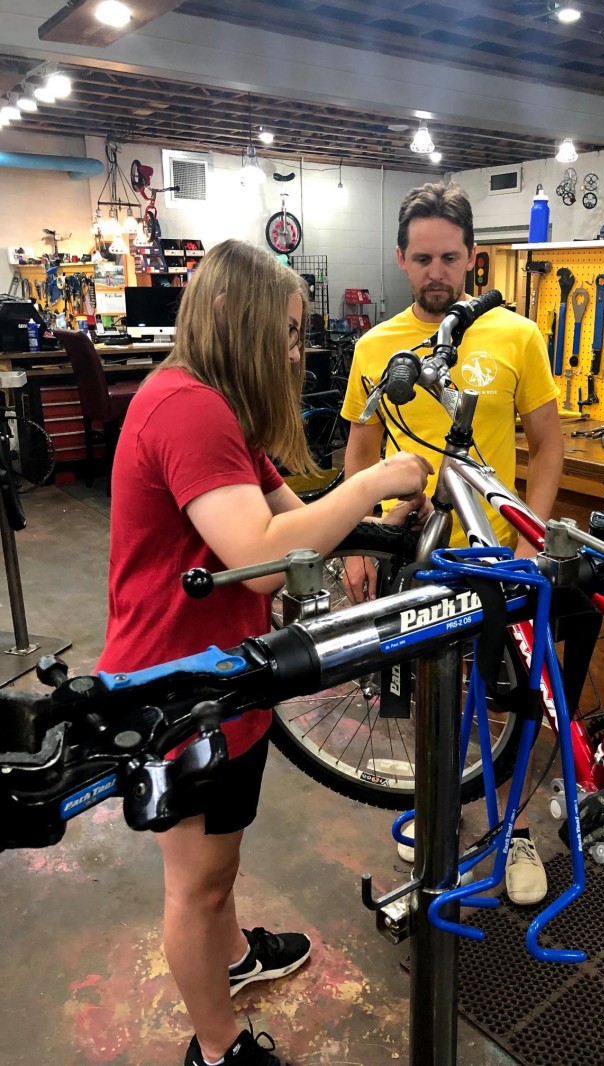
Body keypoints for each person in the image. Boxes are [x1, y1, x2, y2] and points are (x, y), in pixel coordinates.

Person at [96, 240, 432, 1066]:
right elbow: (260, 550)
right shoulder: (186, 408)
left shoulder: (224, 411)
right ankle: (217, 1049)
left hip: (225, 676)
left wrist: (373, 531)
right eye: (284, 334)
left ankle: (235, 954)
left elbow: (292, 511)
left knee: (222, 855)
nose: (294, 352)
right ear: (229, 316)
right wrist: (373, 481)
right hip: (173, 685)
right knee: (195, 881)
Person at [339, 182, 564, 906]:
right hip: (418, 560)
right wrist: (356, 543)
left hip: (499, 556)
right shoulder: (376, 346)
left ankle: (518, 830)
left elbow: (549, 445)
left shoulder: (517, 335)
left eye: (450, 257)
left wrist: (531, 541)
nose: (437, 271)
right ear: (402, 259)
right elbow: (360, 451)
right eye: (423, 257)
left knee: (517, 705)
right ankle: (439, 811)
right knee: (424, 699)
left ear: (473, 257)